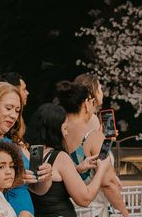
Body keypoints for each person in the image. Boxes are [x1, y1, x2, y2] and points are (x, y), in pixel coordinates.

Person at [55, 81, 129, 217]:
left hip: (65, 208)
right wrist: (125, 213)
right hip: (91, 210)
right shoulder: (92, 136)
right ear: (86, 104)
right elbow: (107, 182)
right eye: (91, 100)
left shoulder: (56, 132)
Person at [24, 103, 112, 217]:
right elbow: (84, 199)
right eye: (64, 128)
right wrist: (102, 170)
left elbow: (54, 181)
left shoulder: (34, 154)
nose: (66, 133)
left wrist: (77, 169)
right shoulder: (60, 157)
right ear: (54, 130)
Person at [0, 82, 52, 217]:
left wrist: (45, 176)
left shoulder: (15, 142)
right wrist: (13, 182)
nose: (14, 115)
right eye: (8, 108)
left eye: (17, 111)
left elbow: (37, 189)